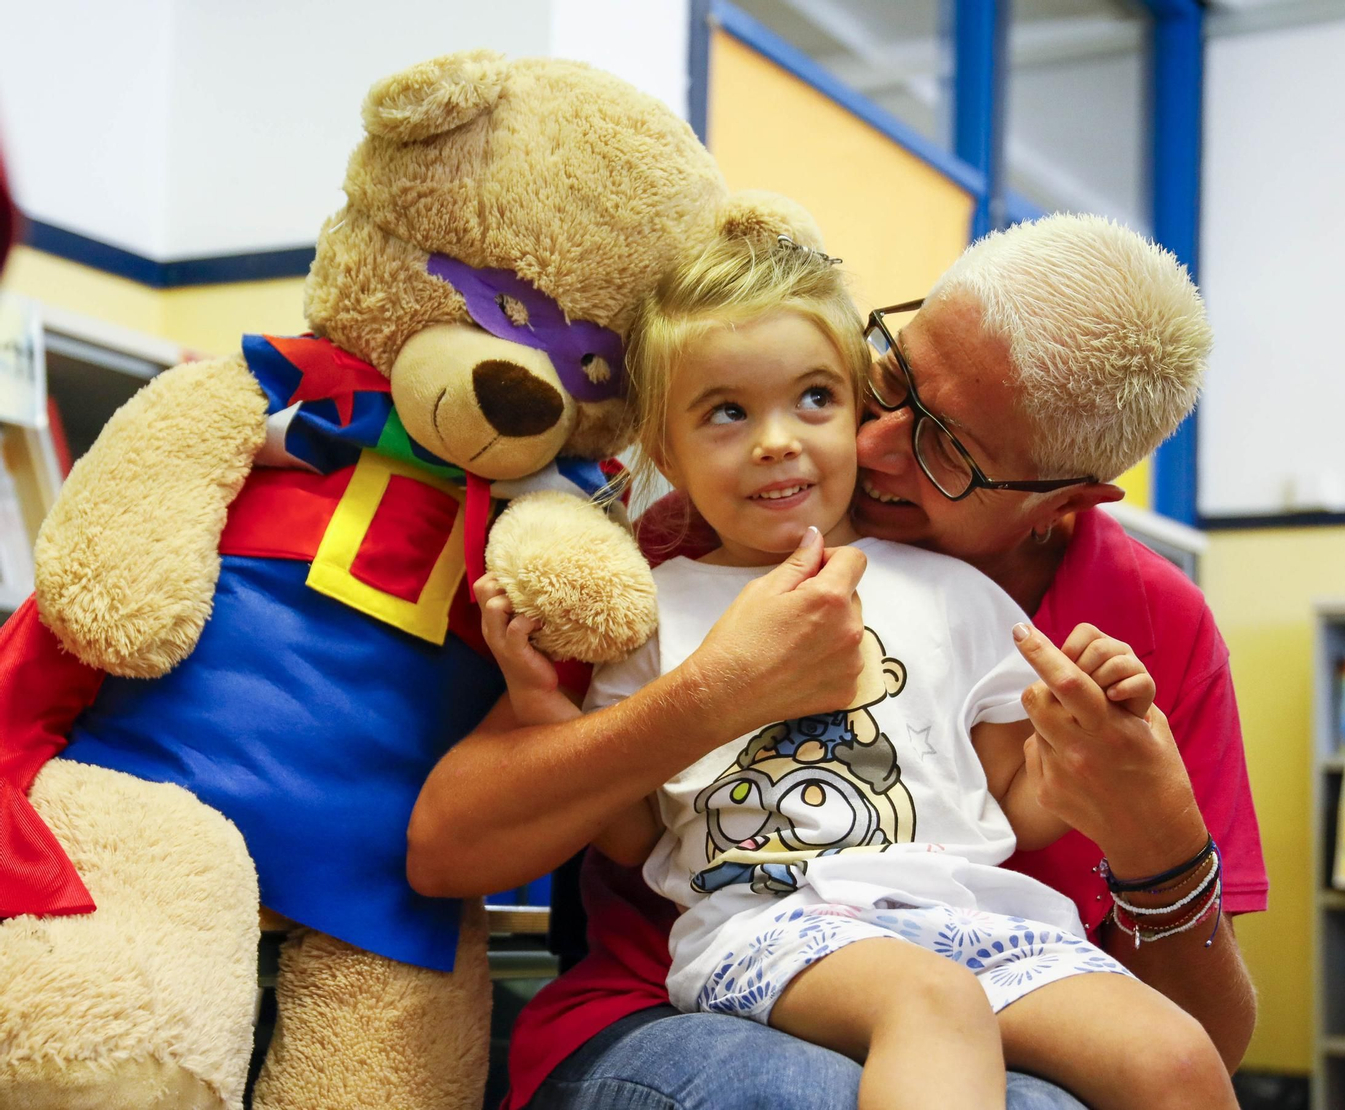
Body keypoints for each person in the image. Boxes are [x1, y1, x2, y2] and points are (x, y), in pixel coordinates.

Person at [408, 213, 1268, 1110]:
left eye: (947, 449)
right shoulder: (673, 560)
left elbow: (1205, 1033)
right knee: (882, 1064)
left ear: (1065, 499)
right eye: (889, 376)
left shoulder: (1084, 617)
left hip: (975, 936)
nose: (870, 440)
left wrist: (1143, 822)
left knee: (1155, 1064)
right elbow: (469, 845)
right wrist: (711, 693)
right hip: (739, 960)